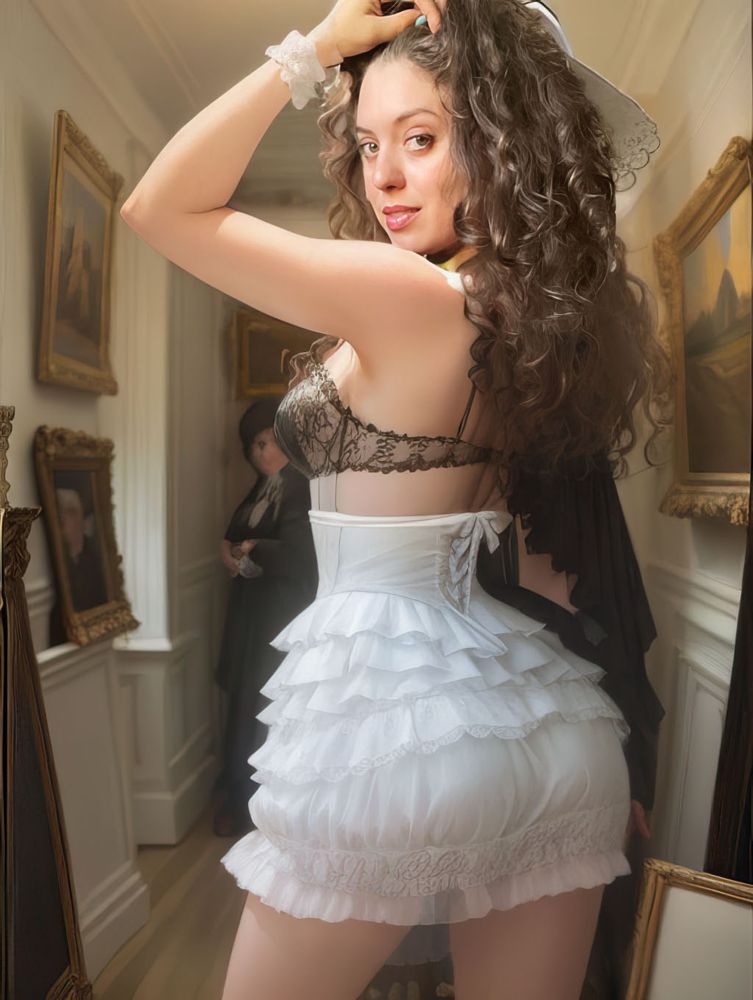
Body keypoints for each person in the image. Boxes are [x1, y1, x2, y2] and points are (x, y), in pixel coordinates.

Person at [119, 0, 671, 997]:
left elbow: (157, 208)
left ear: (502, 149)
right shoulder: (524, 320)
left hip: (387, 730)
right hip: (550, 729)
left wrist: (316, 49)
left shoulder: (410, 297)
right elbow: (554, 563)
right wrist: (629, 741)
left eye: (421, 139)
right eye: (369, 141)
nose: (384, 175)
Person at [214, 397, 317, 837]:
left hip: (283, 613)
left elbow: (305, 553)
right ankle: (241, 805)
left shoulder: (302, 485)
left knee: (271, 707)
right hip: (253, 614)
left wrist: (255, 550)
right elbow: (237, 532)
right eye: (254, 446)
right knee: (246, 706)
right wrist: (229, 548)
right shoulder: (262, 489)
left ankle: (272, 811)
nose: (263, 453)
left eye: (270, 441)